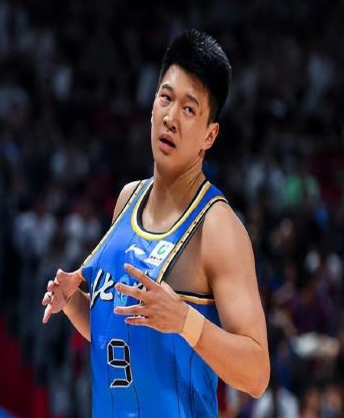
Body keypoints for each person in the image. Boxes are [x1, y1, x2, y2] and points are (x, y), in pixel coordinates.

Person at [42, 29, 270, 417]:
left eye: (189, 109)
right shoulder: (128, 199)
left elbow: (256, 373)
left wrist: (184, 320)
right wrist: (74, 303)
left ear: (210, 135)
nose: (171, 118)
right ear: (151, 105)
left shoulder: (218, 228)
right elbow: (125, 339)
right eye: (166, 98)